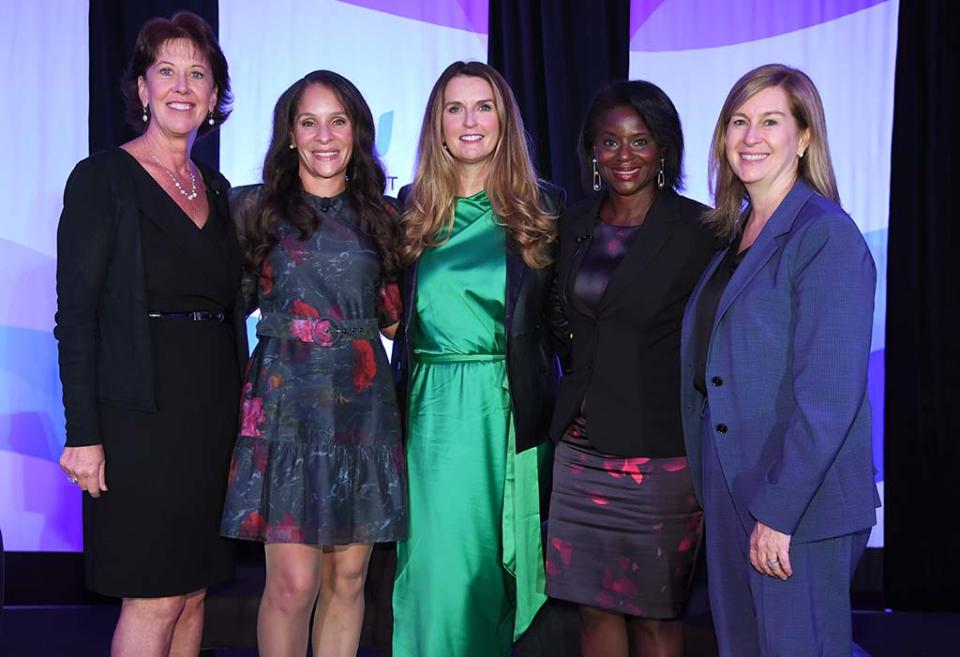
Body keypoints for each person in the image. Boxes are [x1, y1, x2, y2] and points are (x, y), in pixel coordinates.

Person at [54, 12, 244, 657]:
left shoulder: (216, 191)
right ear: (141, 89)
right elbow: (75, 318)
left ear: (216, 97)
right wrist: (84, 435)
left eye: (199, 74)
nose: (182, 86)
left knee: (195, 592)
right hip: (137, 417)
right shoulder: (101, 180)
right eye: (166, 71)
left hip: (211, 416)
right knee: (155, 595)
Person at [679, 64, 879, 656]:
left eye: (770, 121)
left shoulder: (825, 236)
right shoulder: (739, 234)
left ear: (805, 137)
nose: (750, 136)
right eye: (738, 122)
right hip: (735, 489)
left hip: (797, 507)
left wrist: (780, 512)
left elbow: (827, 398)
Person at [219, 70, 407, 657]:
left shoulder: (383, 215)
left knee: (347, 582)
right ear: (291, 135)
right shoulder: (254, 209)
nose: (324, 136)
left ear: (357, 132)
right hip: (285, 412)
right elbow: (223, 306)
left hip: (363, 409)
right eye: (309, 122)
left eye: (338, 121)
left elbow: (395, 318)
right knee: (293, 585)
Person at [390, 60, 563, 657]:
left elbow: (564, 328)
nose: (469, 121)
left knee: (491, 578)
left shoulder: (545, 209)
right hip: (429, 416)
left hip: (507, 411)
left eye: (483, 106)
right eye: (454, 108)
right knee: (438, 570)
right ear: (436, 125)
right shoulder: (410, 209)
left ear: (504, 120)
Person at [544, 80, 717, 657]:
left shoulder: (704, 232)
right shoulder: (573, 224)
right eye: (609, 141)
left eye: (640, 141)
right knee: (592, 610)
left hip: (659, 458)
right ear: (591, 151)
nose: (624, 155)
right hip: (578, 450)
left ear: (664, 150)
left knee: (655, 619)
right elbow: (559, 321)